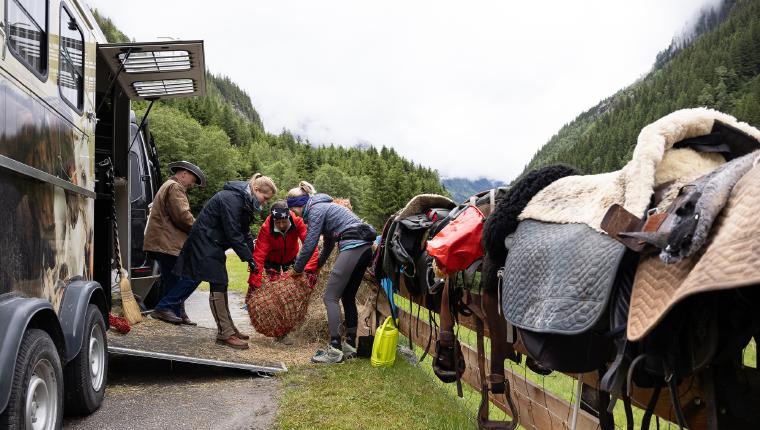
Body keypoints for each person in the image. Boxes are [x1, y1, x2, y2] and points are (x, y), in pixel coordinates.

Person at [174, 173, 277, 349]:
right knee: (218, 281)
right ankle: (225, 333)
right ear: (256, 189)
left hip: (213, 243)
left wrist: (254, 258)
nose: (265, 202)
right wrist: (248, 259)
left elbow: (244, 233)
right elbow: (233, 232)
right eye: (265, 198)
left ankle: (229, 329)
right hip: (204, 242)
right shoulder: (232, 199)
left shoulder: (244, 200)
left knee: (221, 282)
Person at [286, 181, 376, 363]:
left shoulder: (316, 210)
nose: (293, 214)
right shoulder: (324, 207)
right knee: (348, 296)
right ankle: (350, 345)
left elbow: (310, 243)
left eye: (292, 210)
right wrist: (318, 265)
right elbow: (328, 244)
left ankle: (334, 349)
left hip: (354, 244)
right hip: (364, 247)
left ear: (298, 205)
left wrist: (297, 269)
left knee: (329, 297)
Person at [247, 201, 319, 344]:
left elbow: (311, 245)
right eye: (277, 222)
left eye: (283, 221)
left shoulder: (297, 221)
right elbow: (259, 255)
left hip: (291, 259)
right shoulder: (266, 228)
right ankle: (277, 331)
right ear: (273, 219)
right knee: (274, 297)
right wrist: (254, 281)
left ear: (288, 217)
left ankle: (286, 330)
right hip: (271, 260)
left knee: (291, 295)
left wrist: (310, 269)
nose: (280, 225)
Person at [144, 161, 206, 325]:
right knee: (192, 275)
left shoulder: (168, 185)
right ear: (183, 174)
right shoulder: (175, 187)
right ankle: (164, 308)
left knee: (172, 281)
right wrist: (201, 230)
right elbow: (183, 216)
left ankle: (177, 312)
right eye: (193, 180)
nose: (193, 184)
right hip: (167, 243)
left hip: (162, 243)